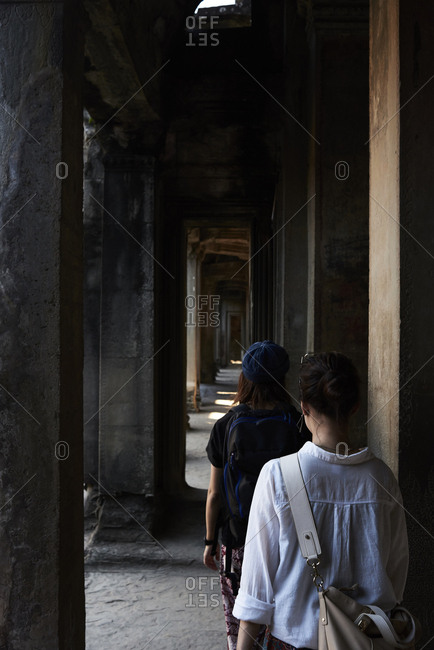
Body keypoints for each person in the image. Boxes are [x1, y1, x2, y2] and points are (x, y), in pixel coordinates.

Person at [233, 352, 409, 650]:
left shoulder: (278, 476)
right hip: (367, 641)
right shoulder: (382, 478)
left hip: (294, 641)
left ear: (304, 407)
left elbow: (256, 593)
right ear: (355, 406)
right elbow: (395, 577)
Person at [203, 341, 309, 650]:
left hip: (238, 542)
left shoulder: (225, 425)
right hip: (289, 544)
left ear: (244, 378)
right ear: (283, 378)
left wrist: (210, 542)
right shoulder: (300, 423)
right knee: (284, 627)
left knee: (240, 630)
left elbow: (214, 494)